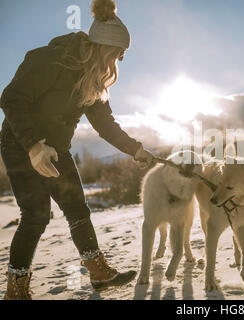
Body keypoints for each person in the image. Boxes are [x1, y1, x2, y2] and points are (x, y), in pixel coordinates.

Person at [0, 0, 155, 299]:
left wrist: (136, 150)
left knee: (77, 208)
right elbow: (11, 98)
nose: (118, 62)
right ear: (104, 48)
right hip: (21, 144)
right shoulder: (49, 60)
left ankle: (99, 272)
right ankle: (16, 288)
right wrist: (34, 146)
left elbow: (105, 124)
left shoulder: (93, 81)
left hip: (57, 148)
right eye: (118, 54)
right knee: (36, 214)